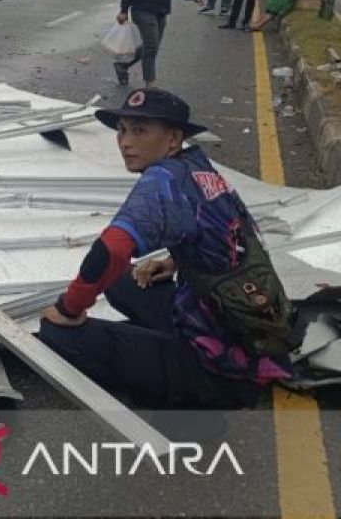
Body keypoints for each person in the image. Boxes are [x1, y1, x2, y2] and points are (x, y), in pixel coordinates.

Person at [39, 88, 299, 408]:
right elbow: (235, 241)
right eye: (121, 130)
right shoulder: (200, 168)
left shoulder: (163, 182)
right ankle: (168, 361)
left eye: (140, 130)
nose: (125, 142)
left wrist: (68, 310)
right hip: (242, 327)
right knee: (124, 281)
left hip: (218, 366)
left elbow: (110, 251)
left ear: (173, 139)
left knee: (57, 332)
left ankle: (183, 403)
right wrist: (175, 263)